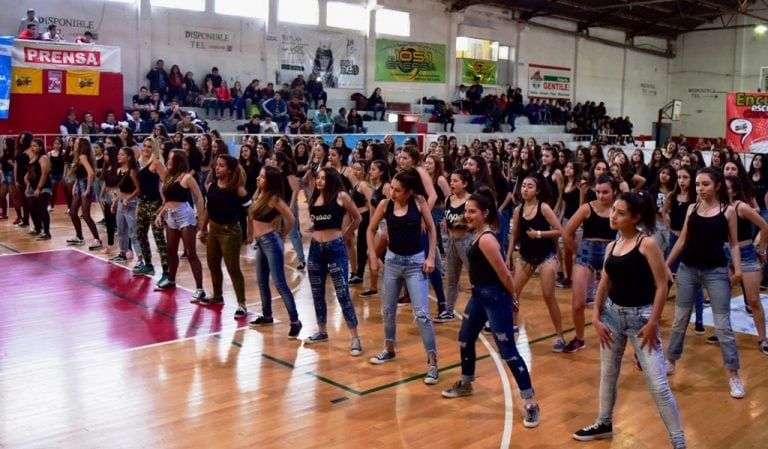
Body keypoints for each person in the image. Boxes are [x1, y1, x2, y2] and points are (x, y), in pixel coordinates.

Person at [572, 192, 686, 448]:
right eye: (613, 210)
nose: (613, 215)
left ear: (635, 218)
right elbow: (604, 282)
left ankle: (679, 441)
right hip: (612, 318)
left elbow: (661, 285)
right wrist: (595, 316)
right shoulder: (613, 246)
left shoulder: (647, 244)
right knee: (608, 374)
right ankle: (604, 422)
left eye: (621, 213)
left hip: (641, 320)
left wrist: (653, 322)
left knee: (658, 385)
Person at [441, 188, 540, 429]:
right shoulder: (477, 234)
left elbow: (505, 273)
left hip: (495, 299)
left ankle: (530, 401)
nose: (468, 214)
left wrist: (513, 298)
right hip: (479, 297)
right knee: (465, 338)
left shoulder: (486, 238)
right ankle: (466, 382)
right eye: (466, 210)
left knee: (507, 351)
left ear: (485, 213)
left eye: (473, 211)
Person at [665, 167, 746, 398]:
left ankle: (733, 375)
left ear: (717, 186)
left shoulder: (728, 211)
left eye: (705, 184)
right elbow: (681, 241)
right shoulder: (692, 208)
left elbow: (733, 244)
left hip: (716, 271)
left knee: (722, 324)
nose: (700, 188)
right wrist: (666, 264)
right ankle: (670, 361)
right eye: (698, 184)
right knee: (680, 318)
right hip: (688, 269)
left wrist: (738, 269)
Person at [366, 168, 439, 385]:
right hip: (392, 262)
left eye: (397, 190)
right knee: (387, 310)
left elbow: (433, 230)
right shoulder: (385, 205)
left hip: (415, 264)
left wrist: (431, 257)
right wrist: (372, 255)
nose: (392, 193)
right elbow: (370, 230)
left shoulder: (419, 203)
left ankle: (433, 362)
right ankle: (389, 348)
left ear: (408, 192)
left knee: (422, 314)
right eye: (392, 189)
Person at [303, 167, 363, 354]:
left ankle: (355, 338)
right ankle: (321, 331)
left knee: (342, 293)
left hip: (335, 248)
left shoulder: (341, 196)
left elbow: (358, 217)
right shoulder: (314, 197)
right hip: (315, 249)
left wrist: (345, 234)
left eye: (323, 178)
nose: (319, 181)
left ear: (331, 180)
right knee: (317, 291)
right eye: (318, 178)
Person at [507, 173, 566, 351]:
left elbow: (559, 231)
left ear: (538, 190)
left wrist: (539, 234)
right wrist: (508, 256)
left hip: (546, 256)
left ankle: (560, 336)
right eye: (523, 185)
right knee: (513, 294)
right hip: (525, 257)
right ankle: (513, 327)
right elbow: (515, 234)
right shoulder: (518, 210)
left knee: (548, 296)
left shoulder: (544, 208)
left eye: (529, 186)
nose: (525, 189)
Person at [563, 175, 619, 352]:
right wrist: (577, 251)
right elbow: (567, 232)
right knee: (578, 303)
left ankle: (613, 337)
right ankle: (579, 338)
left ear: (614, 192)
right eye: (598, 191)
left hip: (610, 254)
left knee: (611, 305)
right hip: (586, 252)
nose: (601, 196)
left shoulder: (619, 209)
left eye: (605, 192)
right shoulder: (587, 208)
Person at [247, 166, 304, 339]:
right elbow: (251, 214)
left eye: (263, 177)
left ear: (270, 181)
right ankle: (267, 315)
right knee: (262, 281)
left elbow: (291, 218)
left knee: (279, 283)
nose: (259, 178)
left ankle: (295, 321)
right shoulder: (259, 195)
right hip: (261, 243)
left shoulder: (274, 199)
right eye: (260, 175)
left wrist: (282, 234)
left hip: (271, 242)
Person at [197, 154, 250, 312]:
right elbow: (208, 209)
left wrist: (251, 233)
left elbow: (251, 211)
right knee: (213, 264)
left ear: (229, 170)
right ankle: (217, 296)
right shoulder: (213, 185)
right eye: (216, 165)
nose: (217, 168)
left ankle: (242, 304)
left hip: (230, 231)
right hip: (214, 229)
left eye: (221, 165)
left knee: (232, 268)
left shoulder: (237, 188)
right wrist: (202, 229)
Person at [722, 176, 768, 354]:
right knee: (722, 298)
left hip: (746, 254)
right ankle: (723, 333)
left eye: (726, 188)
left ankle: (763, 338)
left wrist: (762, 250)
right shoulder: (718, 206)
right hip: (725, 254)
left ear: (733, 190)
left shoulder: (741, 207)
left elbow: (764, 226)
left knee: (753, 299)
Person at [154, 150, 206, 295]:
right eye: (168, 158)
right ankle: (171, 281)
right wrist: (161, 214)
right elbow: (167, 201)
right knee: (171, 251)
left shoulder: (187, 177)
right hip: (171, 216)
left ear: (179, 161)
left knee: (190, 253)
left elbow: (200, 198)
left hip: (185, 215)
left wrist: (201, 219)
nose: (169, 161)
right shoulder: (169, 177)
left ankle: (200, 288)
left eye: (172, 159)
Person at [134, 137, 170, 287]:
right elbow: (140, 187)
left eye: (150, 147)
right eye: (145, 146)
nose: (147, 149)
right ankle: (148, 265)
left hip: (154, 204)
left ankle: (167, 273)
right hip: (142, 203)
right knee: (140, 234)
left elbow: (167, 183)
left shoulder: (156, 163)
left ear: (154, 149)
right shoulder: (140, 163)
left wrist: (164, 205)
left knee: (159, 238)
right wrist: (137, 205)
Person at [66, 138, 102, 249]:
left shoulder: (82, 157)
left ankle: (97, 239)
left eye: (76, 143)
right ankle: (79, 237)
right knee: (72, 212)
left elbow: (91, 173)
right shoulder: (79, 156)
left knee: (86, 214)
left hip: (85, 184)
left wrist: (87, 189)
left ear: (81, 145)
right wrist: (76, 185)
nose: (74, 144)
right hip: (79, 184)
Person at [109, 147, 142, 264]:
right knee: (121, 230)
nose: (119, 156)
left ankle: (140, 258)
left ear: (128, 157)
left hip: (131, 203)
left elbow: (139, 189)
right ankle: (122, 253)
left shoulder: (132, 171)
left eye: (122, 154)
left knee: (133, 231)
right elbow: (120, 190)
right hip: (121, 202)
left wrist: (128, 199)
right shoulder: (119, 170)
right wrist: (115, 201)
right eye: (119, 154)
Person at [24, 139, 52, 240]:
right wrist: (28, 188)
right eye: (31, 146)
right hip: (32, 186)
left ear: (40, 147)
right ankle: (37, 228)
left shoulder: (43, 157)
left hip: (43, 187)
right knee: (31, 207)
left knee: (42, 208)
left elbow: (44, 174)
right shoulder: (33, 157)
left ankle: (47, 232)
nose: (32, 147)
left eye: (35, 146)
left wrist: (39, 188)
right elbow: (30, 175)